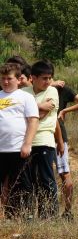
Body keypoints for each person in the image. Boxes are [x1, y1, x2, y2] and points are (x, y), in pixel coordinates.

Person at [22, 60, 63, 219]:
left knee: (46, 180)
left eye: (50, 78)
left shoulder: (52, 91)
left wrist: (28, 107)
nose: (48, 82)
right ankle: (29, 215)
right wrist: (38, 105)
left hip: (44, 140)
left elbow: (39, 115)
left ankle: (50, 216)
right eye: (44, 78)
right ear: (33, 77)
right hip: (26, 142)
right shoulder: (24, 91)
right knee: (28, 181)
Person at [0, 63, 39, 217]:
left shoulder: (26, 97)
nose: (5, 82)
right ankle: (8, 216)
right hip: (0, 149)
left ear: (18, 79)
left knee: (21, 184)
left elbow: (33, 121)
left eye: (9, 78)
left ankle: (25, 215)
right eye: (3, 78)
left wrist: (27, 144)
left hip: (18, 148)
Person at [52, 77, 78, 219]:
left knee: (64, 174)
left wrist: (65, 111)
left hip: (58, 137)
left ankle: (67, 211)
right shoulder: (39, 88)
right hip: (41, 137)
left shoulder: (61, 89)